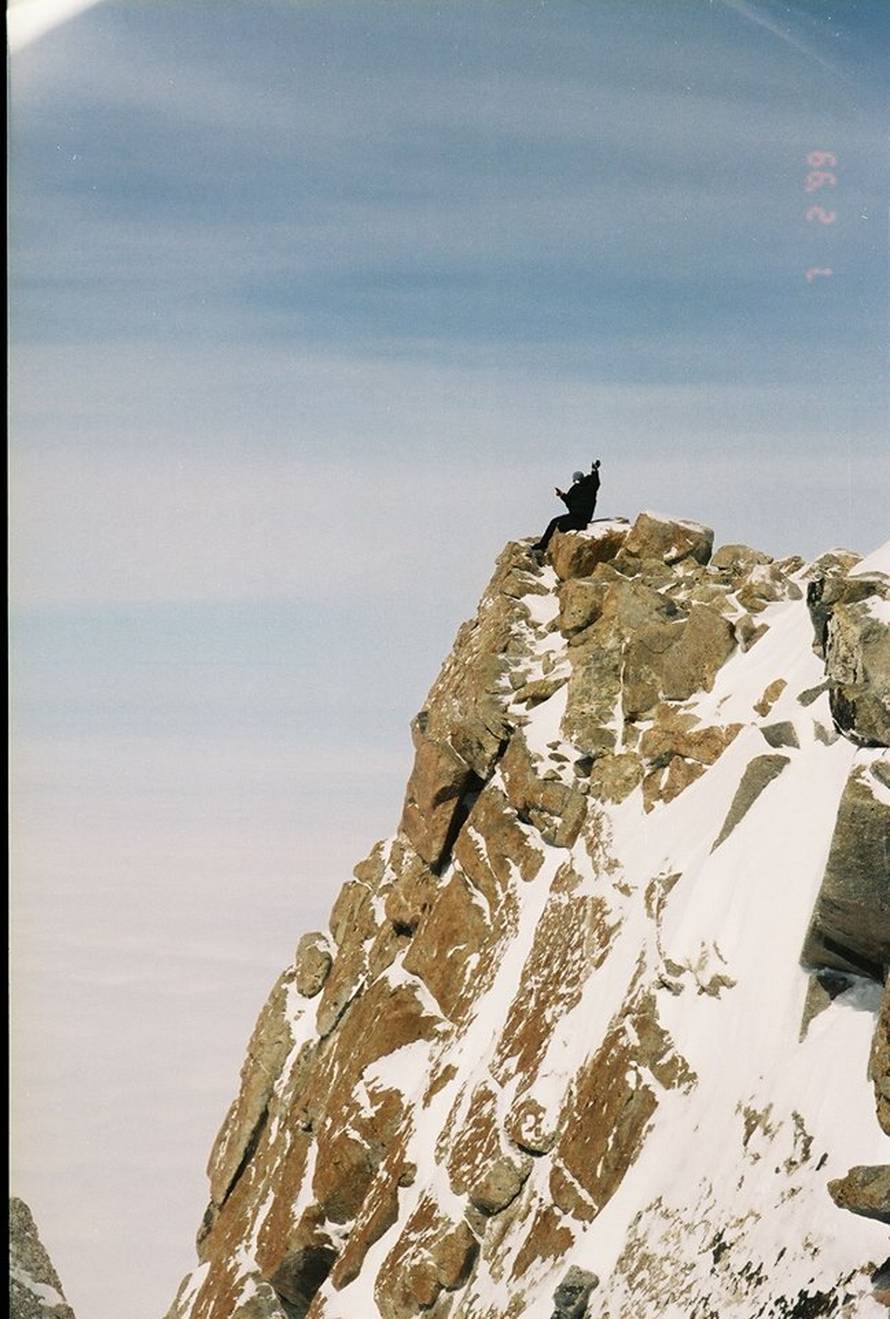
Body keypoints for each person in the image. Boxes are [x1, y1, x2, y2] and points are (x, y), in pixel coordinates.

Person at [531, 460, 601, 555]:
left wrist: (594, 470)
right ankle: (543, 544)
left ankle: (544, 546)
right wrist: (562, 495)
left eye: (577, 480)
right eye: (575, 481)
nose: (576, 482)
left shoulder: (589, 487)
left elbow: (595, 482)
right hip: (574, 516)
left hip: (583, 518)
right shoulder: (574, 489)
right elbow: (569, 501)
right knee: (555, 522)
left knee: (559, 525)